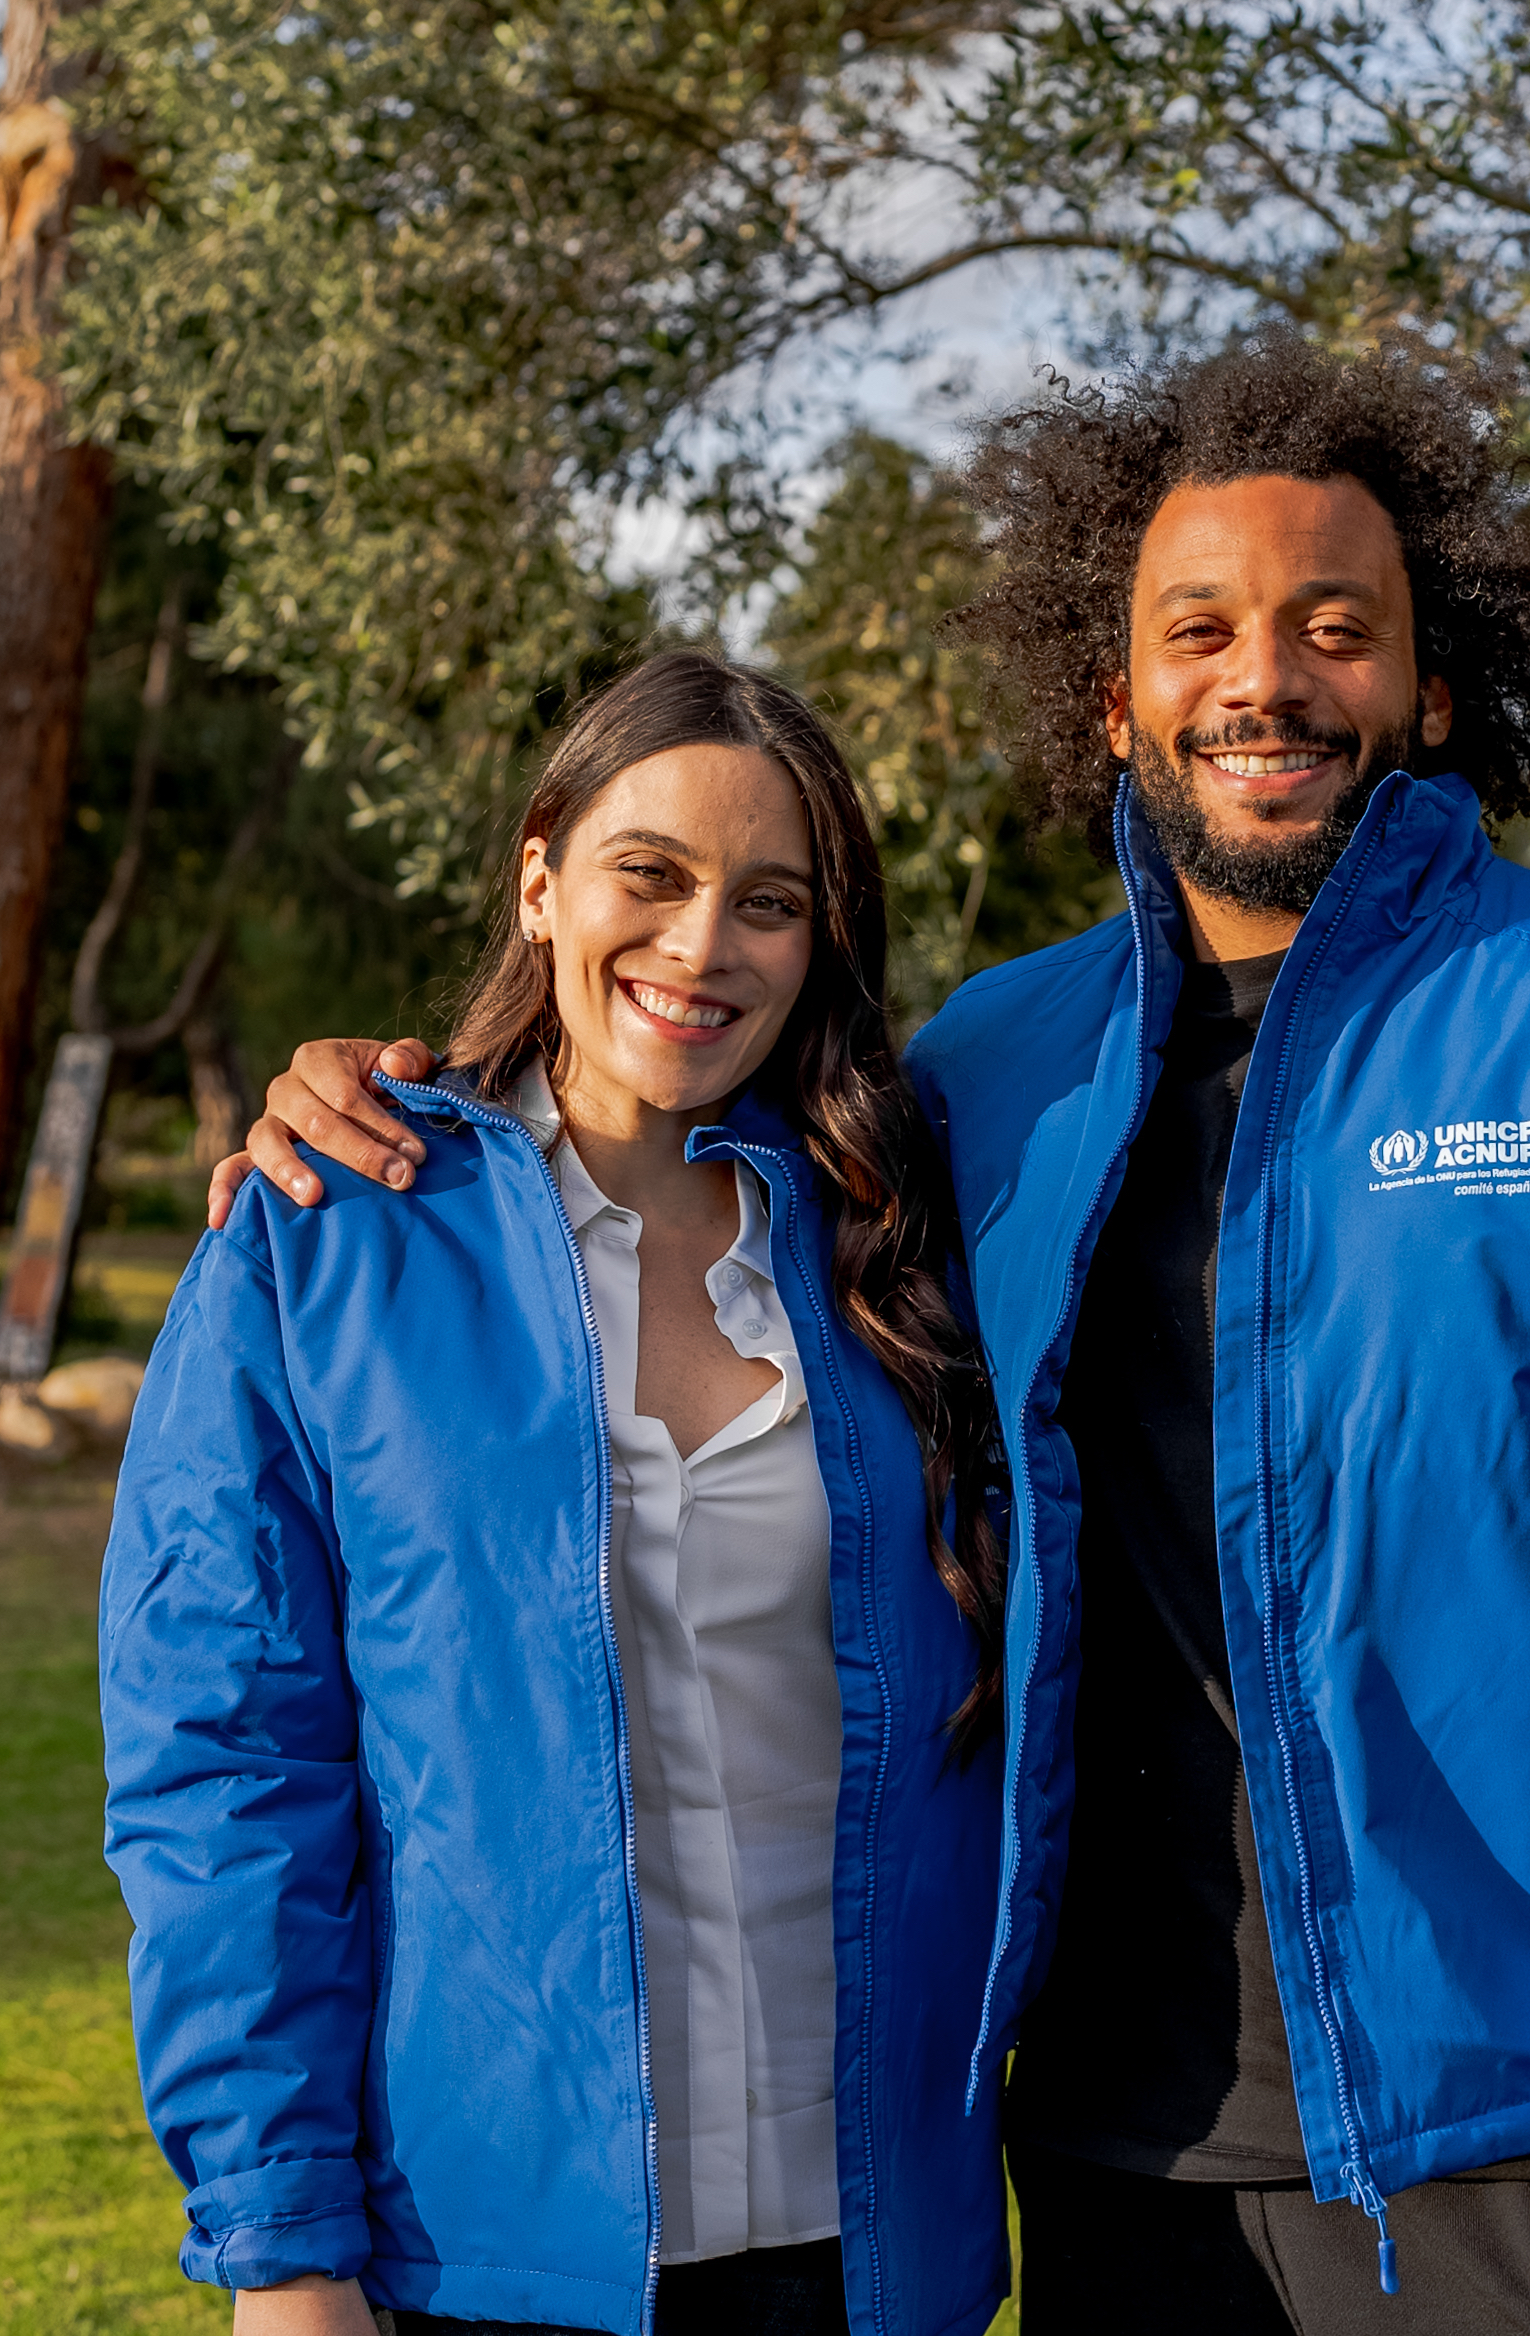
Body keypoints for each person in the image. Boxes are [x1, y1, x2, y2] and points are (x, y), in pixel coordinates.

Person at [219, 335, 1530, 2336]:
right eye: (1197, 628)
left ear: (1435, 684)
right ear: (1112, 698)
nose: (1265, 680)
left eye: (1335, 627)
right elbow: (651, 1103)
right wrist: (378, 1103)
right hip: (1108, 2165)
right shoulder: (989, 1073)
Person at [104, 655, 1011, 2336]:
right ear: (542, 877)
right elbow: (224, 1770)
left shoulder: (913, 1252)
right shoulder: (324, 1240)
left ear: (819, 943)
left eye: (770, 901)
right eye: (646, 876)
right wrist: (282, 2250)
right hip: (480, 2257)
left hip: (873, 2250)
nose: (699, 946)